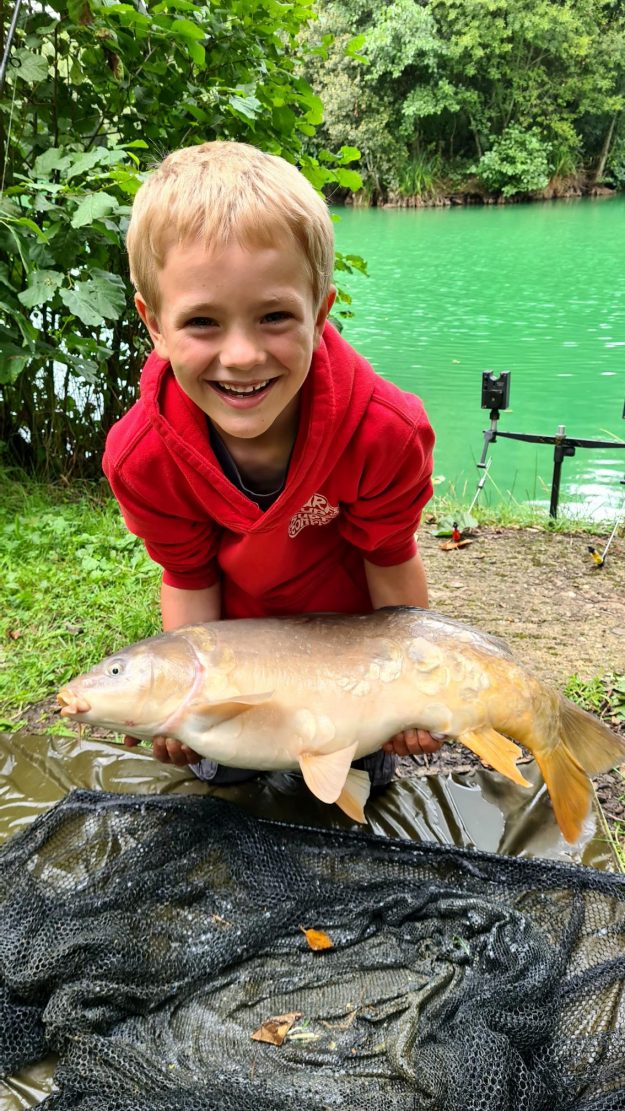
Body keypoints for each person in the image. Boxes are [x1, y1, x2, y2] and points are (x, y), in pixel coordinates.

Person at [103, 140, 443, 788]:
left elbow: (390, 560)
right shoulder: (143, 457)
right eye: (202, 321)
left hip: (351, 660)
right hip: (238, 654)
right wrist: (192, 699)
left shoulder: (384, 432)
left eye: (274, 317)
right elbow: (188, 574)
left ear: (319, 312)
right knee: (219, 779)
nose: (240, 355)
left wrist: (408, 687)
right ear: (153, 323)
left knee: (364, 779)